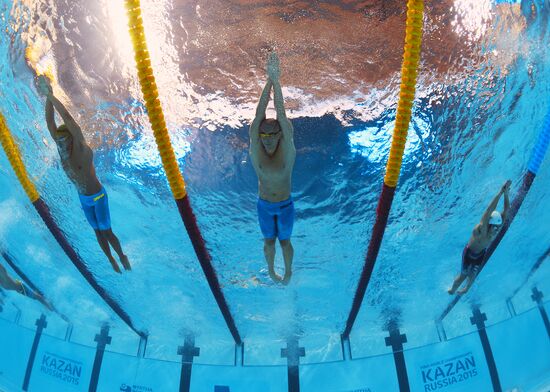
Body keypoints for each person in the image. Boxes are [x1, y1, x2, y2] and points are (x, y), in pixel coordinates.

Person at [37, 76, 131, 273]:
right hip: (85, 199)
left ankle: (121, 255)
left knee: (106, 231)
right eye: (59, 140)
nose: (60, 143)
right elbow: (49, 123)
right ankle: (110, 259)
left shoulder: (81, 148)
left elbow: (68, 119)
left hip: (98, 196)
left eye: (63, 139)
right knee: (97, 231)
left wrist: (52, 96)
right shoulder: (64, 150)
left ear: (71, 138)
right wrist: (47, 98)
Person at [249, 52, 296, 285]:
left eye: (272, 134)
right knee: (269, 242)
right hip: (264, 206)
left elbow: (281, 112)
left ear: (280, 135)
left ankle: (288, 272)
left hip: (286, 205)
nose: (266, 139)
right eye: (263, 134)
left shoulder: (287, 149)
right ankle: (270, 271)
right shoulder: (256, 149)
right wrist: (267, 81)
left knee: (285, 242)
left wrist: (275, 81)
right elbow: (259, 116)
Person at [448, 180, 512, 295]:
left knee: (473, 275)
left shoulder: (496, 227)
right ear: (489, 224)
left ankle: (466, 289)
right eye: (495, 228)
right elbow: (489, 210)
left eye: (498, 228)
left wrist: (506, 194)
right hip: (469, 253)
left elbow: (506, 210)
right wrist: (500, 193)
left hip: (480, 254)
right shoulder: (482, 229)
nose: (497, 230)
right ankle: (452, 289)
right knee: (463, 275)